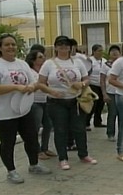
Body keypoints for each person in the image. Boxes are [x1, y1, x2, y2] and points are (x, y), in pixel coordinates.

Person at [0, 34, 52, 184]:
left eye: (13, 44)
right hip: (4, 113)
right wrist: (15, 87)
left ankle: (34, 164)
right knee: (8, 142)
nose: (11, 47)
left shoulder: (22, 64)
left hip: (24, 109)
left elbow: (34, 82)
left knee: (31, 138)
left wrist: (32, 86)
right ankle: (11, 171)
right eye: (7, 45)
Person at [38, 35, 97, 170]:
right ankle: (63, 158)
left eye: (66, 44)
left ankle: (83, 154)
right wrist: (52, 91)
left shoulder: (77, 62)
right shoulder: (49, 63)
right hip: (56, 102)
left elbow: (87, 79)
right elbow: (41, 83)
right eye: (60, 44)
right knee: (60, 130)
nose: (63, 47)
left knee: (79, 129)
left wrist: (81, 84)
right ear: (56, 47)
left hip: (75, 101)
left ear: (71, 47)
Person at [25, 50, 57, 160]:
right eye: (40, 57)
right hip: (35, 101)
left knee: (48, 125)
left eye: (43, 56)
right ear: (33, 60)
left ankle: (45, 148)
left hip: (45, 100)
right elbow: (36, 85)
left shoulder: (44, 71)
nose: (43, 59)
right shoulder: (30, 71)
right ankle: (36, 151)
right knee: (36, 127)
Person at [100, 45, 121, 141]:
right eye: (112, 52)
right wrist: (104, 93)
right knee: (112, 113)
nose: (114, 53)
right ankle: (110, 133)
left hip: (122, 92)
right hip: (110, 92)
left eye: (116, 51)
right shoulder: (105, 65)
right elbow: (102, 80)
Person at [86, 44, 107, 130]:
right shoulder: (90, 61)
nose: (100, 52)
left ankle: (98, 121)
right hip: (92, 85)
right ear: (94, 51)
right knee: (92, 105)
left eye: (102, 50)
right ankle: (86, 123)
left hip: (101, 85)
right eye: (99, 51)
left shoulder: (104, 61)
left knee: (100, 104)